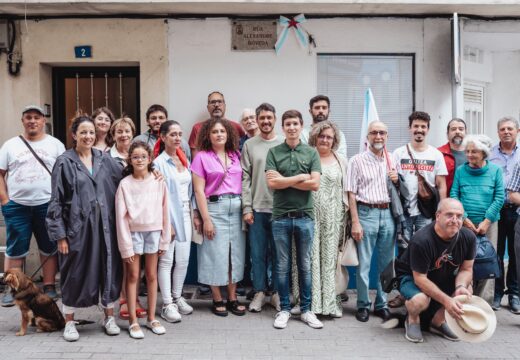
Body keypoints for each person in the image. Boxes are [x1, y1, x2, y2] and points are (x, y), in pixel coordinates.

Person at [46, 115, 124, 341]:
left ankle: (109, 317)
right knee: (74, 273)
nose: (88, 136)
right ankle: (69, 321)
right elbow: (56, 201)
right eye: (83, 132)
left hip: (105, 228)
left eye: (91, 132)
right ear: (74, 135)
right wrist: (60, 235)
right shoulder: (64, 162)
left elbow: (126, 180)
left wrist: (151, 172)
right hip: (77, 230)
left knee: (108, 269)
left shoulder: (105, 159)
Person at [0, 105, 65, 307]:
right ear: (23, 121)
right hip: (17, 206)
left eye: (37, 117)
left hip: (47, 205)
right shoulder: (10, 145)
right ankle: (12, 289)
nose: (32, 121)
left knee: (49, 246)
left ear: (43, 121)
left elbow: (63, 175)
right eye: (28, 117)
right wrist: (4, 200)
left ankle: (49, 286)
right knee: (15, 249)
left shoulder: (55, 145)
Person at [265, 109, 323, 329]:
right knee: (281, 266)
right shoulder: (274, 152)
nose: (291, 127)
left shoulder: (311, 153)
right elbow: (272, 183)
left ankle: (307, 310)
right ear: (283, 127)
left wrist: (284, 179)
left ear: (301, 126)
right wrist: (300, 177)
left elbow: (315, 184)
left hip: (305, 217)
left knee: (305, 266)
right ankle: (285, 310)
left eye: (295, 124)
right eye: (287, 124)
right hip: (280, 216)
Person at [395, 198, 476, 343]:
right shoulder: (422, 240)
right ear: (438, 216)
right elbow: (420, 279)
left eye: (459, 216)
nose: (455, 220)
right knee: (420, 300)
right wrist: (447, 301)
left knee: (467, 290)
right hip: (413, 277)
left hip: (440, 275)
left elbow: (466, 269)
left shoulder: (468, 237)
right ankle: (412, 319)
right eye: (449, 215)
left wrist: (460, 287)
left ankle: (438, 320)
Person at [191, 118, 246, 317]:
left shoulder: (236, 155)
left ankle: (232, 297)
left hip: (237, 208)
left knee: (235, 254)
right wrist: (206, 219)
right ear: (208, 135)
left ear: (228, 134)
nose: (219, 134)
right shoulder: (201, 157)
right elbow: (198, 190)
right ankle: (217, 298)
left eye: (222, 131)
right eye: (215, 132)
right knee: (214, 253)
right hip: (215, 207)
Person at [115, 141, 171, 339]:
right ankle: (133, 320)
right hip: (133, 234)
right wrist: (126, 247)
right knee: (132, 275)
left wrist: (164, 240)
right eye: (135, 157)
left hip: (154, 232)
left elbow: (166, 212)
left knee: (152, 275)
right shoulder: (125, 184)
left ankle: (152, 318)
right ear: (130, 159)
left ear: (150, 159)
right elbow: (120, 217)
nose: (139, 160)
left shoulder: (158, 181)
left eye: (143, 157)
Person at [346, 121, 397, 323]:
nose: (378, 136)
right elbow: (351, 194)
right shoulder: (356, 161)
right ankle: (363, 304)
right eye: (374, 132)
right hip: (366, 213)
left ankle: (382, 303)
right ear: (367, 137)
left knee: (386, 264)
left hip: (388, 214)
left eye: (382, 133)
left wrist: (397, 179)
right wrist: (355, 222)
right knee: (364, 263)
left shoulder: (393, 159)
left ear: (387, 136)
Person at [450, 134, 504, 303]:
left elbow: (499, 197)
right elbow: (454, 195)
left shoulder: (495, 170)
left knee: (487, 261)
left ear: (484, 153)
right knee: (464, 262)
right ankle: (465, 299)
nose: (470, 155)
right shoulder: (460, 171)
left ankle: (483, 302)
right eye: (468, 151)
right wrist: (464, 218)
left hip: (489, 224)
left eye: (474, 151)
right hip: (464, 225)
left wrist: (487, 221)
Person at [241, 103, 283, 313]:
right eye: (262, 118)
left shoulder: (285, 143)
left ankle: (275, 292)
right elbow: (245, 177)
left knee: (278, 254)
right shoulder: (249, 145)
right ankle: (259, 292)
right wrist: (247, 208)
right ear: (257, 121)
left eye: (269, 117)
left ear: (275, 119)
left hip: (281, 210)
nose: (266, 121)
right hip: (257, 209)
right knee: (257, 255)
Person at [154, 120, 195, 323]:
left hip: (185, 214)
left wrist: (194, 213)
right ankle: (167, 303)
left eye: (180, 134)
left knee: (183, 259)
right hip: (169, 217)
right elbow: (158, 196)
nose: (178, 138)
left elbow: (190, 190)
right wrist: (166, 223)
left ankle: (178, 297)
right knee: (167, 260)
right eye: (173, 134)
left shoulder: (183, 158)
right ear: (162, 137)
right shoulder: (158, 163)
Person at [307, 121, 348, 317]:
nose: (325, 140)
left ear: (335, 140)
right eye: (321, 136)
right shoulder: (306, 157)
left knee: (330, 260)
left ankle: (330, 304)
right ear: (315, 137)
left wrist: (351, 220)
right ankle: (312, 304)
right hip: (310, 216)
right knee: (311, 259)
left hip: (334, 217)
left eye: (329, 137)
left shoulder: (341, 160)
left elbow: (349, 192)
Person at [489, 117, 520, 312]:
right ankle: (497, 292)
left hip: (517, 210)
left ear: (518, 131)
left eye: (510, 128)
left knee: (517, 254)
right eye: (502, 129)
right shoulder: (490, 153)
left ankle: (515, 293)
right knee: (496, 252)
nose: (506, 131)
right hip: (497, 210)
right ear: (498, 132)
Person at [188, 91, 246, 159]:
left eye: (219, 101)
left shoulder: (236, 127)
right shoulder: (197, 128)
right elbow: (195, 159)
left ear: (225, 105)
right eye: (212, 102)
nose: (216, 105)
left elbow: (243, 153)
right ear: (208, 107)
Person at [438, 118, 467, 194]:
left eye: (461, 129)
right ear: (447, 134)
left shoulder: (473, 154)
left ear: (465, 133)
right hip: (446, 200)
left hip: (468, 201)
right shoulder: (438, 153)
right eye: (453, 129)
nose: (457, 132)